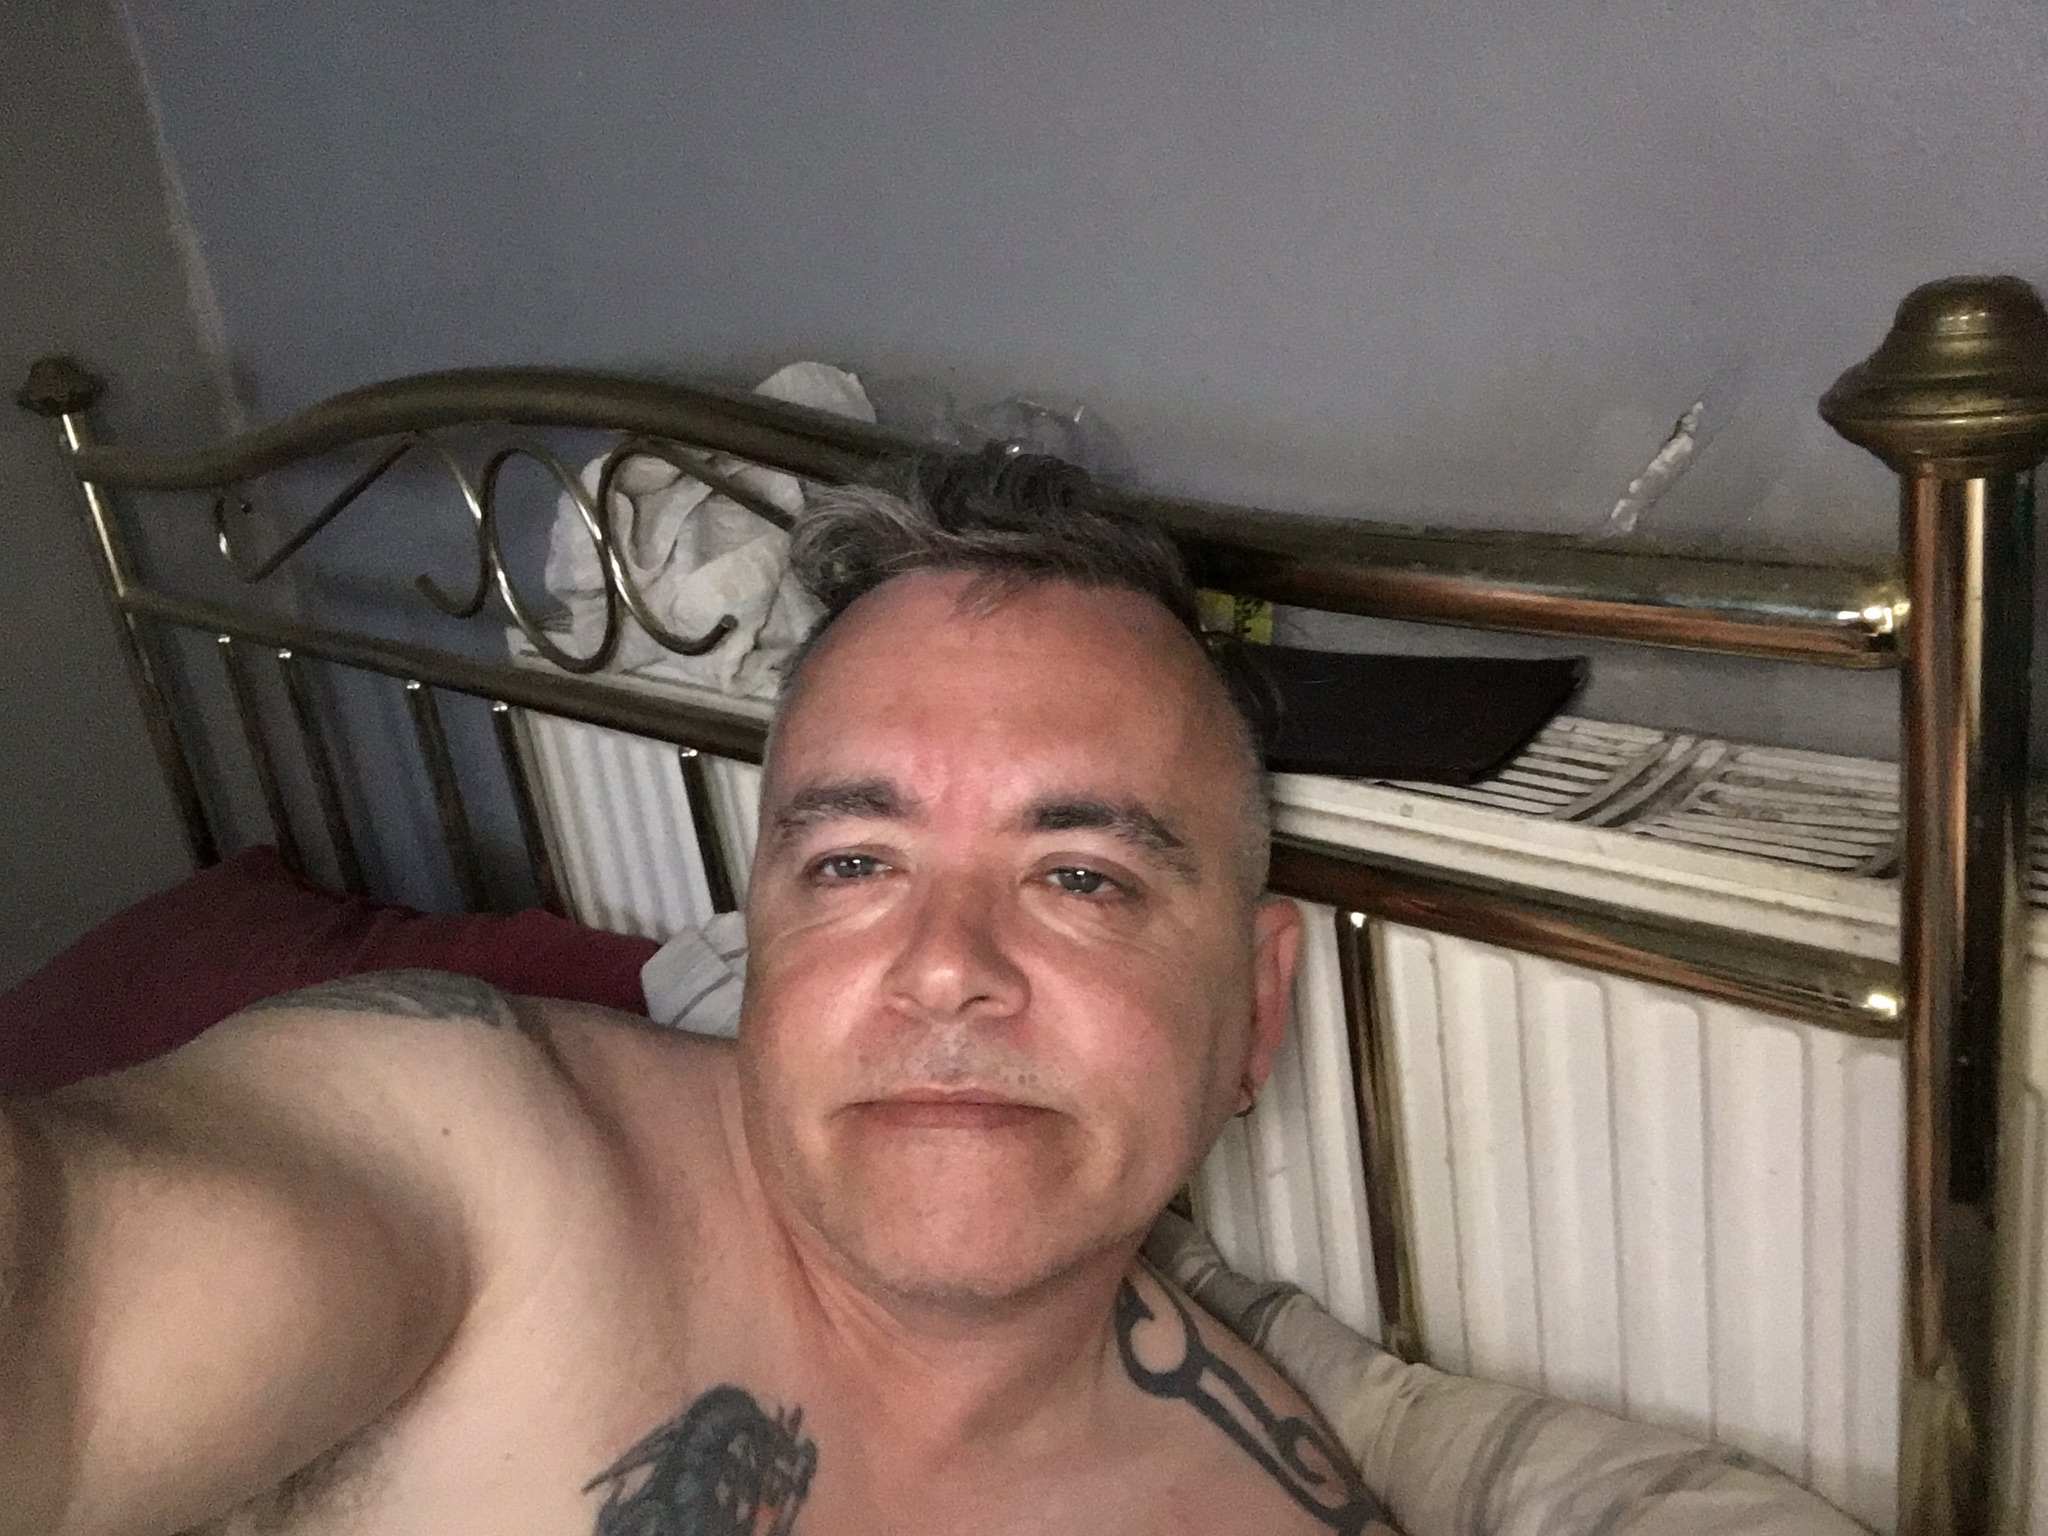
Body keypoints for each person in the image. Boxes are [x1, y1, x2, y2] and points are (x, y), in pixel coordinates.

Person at [0, 454, 1398, 1535]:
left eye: (1082, 877)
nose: (946, 968)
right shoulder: (483, 1151)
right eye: (854, 863)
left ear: (1255, 1011)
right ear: (762, 937)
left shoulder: (1272, 1505)